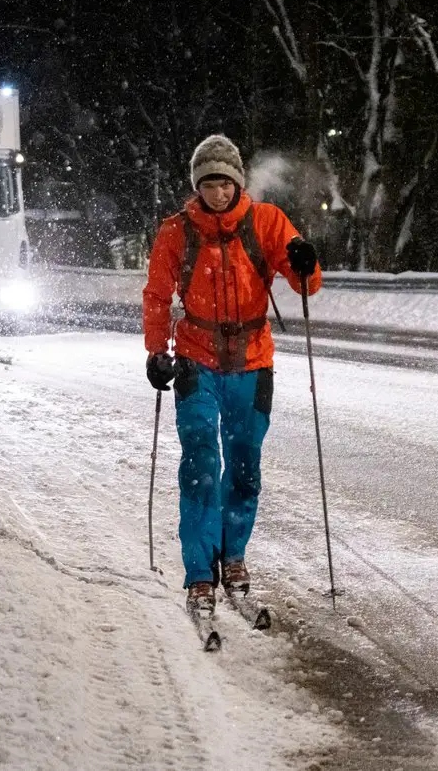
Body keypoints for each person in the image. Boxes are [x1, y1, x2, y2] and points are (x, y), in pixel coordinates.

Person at [142, 134, 322, 617]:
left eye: (225, 183)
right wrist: (157, 352)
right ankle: (200, 572)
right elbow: (157, 295)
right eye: (209, 184)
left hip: (252, 362)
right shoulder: (176, 231)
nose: (217, 193)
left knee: (244, 467)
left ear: (237, 182)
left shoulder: (266, 221)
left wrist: (306, 262)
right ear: (197, 185)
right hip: (196, 360)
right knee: (201, 461)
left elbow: (305, 280)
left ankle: (234, 555)